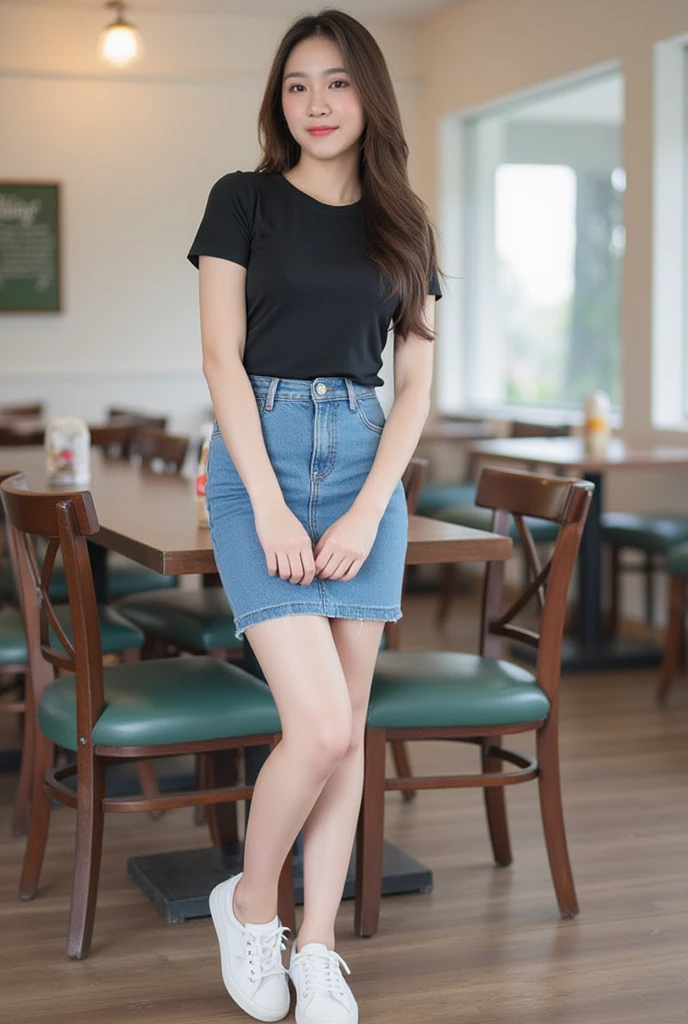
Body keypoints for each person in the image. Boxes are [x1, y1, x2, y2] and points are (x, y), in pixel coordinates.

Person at [187, 9, 442, 1023]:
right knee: (321, 721)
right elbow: (220, 360)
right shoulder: (241, 200)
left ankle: (320, 942)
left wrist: (370, 503)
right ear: (278, 101)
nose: (317, 103)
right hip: (264, 457)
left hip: (365, 471)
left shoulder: (406, 223)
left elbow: (415, 383)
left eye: (335, 83)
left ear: (367, 94)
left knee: (347, 731)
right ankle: (251, 903)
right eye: (297, 85)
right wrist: (267, 501)